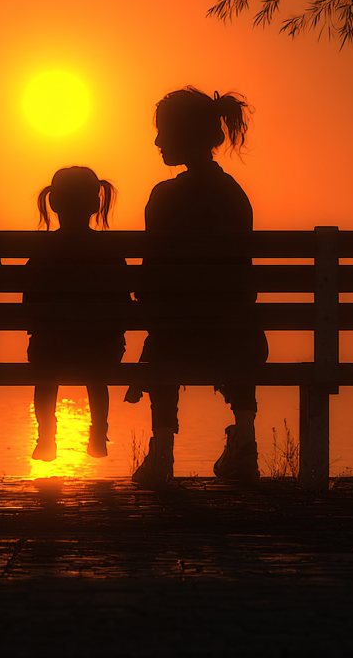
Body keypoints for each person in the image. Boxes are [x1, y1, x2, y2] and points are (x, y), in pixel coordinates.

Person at [127, 87, 266, 485]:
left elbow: (150, 276)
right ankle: (245, 444)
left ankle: (162, 453)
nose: (156, 141)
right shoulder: (234, 196)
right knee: (237, 324)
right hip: (235, 337)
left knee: (163, 336)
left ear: (184, 135)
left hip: (175, 338)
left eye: (162, 131)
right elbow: (242, 277)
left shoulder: (164, 196)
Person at [26, 166, 127, 461]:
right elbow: (123, 302)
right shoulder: (110, 250)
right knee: (98, 376)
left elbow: (28, 304)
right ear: (96, 204)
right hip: (102, 349)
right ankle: (98, 433)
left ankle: (46, 436)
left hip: (51, 349)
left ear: (53, 203)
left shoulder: (41, 251)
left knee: (45, 376)